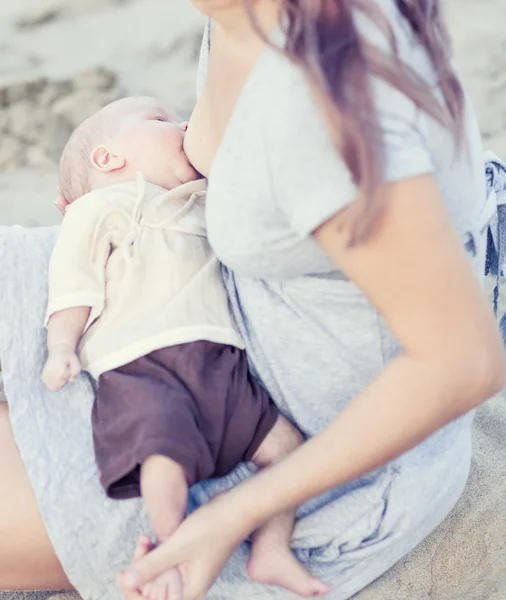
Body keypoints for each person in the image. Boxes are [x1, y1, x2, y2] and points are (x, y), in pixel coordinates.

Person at [0, 1, 504, 600]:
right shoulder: (240, 12)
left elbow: (462, 362)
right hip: (185, 270)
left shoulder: (322, 104)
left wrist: (236, 512)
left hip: (275, 423)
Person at [42, 95, 329, 599]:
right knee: (162, 459)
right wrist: (61, 347)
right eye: (160, 120)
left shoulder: (200, 199)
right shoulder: (99, 207)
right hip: (141, 367)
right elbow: (72, 283)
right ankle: (171, 547)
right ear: (109, 158)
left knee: (287, 449)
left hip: (219, 362)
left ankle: (271, 546)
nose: (182, 125)